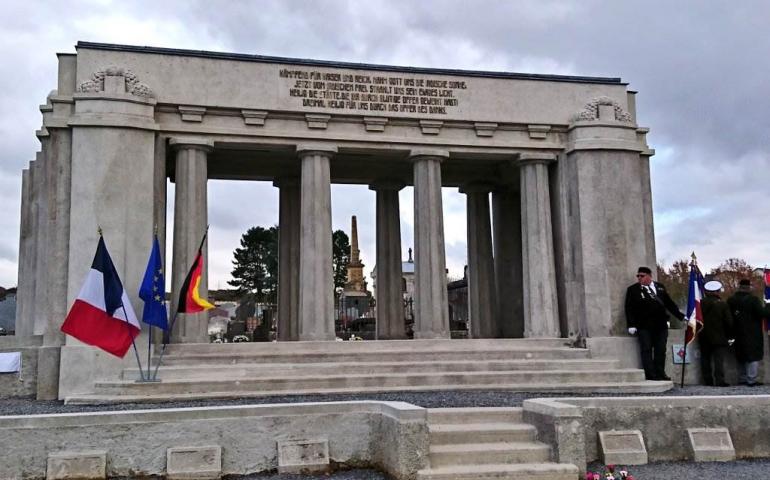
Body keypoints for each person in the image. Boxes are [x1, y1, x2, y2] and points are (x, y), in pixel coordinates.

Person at [625, 266, 686, 381]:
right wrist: (631, 324)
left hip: (660, 325)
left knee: (660, 350)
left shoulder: (659, 287)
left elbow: (669, 303)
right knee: (646, 349)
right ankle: (650, 374)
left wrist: (681, 316)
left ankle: (660, 372)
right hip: (644, 325)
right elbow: (629, 308)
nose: (639, 278)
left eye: (642, 276)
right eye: (638, 276)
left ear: (649, 276)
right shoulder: (633, 290)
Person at [728, 278, 770, 386]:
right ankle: (751, 380)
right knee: (753, 356)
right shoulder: (753, 300)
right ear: (749, 287)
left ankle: (742, 379)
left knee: (740, 356)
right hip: (752, 332)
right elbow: (762, 313)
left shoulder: (731, 300)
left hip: (736, 331)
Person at [699, 280, 733, 387]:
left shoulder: (699, 303)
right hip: (719, 336)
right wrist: (730, 335)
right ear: (717, 291)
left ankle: (707, 380)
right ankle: (719, 380)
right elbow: (729, 322)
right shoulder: (722, 304)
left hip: (703, 335)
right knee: (718, 360)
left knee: (705, 359)